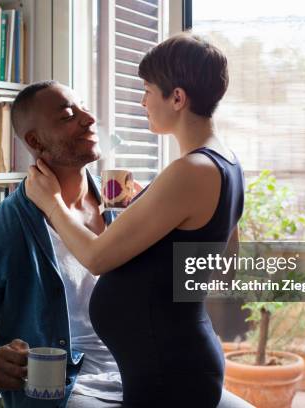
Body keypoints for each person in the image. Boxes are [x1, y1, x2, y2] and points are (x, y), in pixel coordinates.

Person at [26, 34, 244, 408]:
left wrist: (52, 203)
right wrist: (151, 211)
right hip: (174, 363)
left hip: (169, 372)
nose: (142, 101)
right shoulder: (225, 162)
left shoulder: (190, 170)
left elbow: (96, 258)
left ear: (177, 98)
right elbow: (223, 265)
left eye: (147, 90)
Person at [0, 80, 124, 408]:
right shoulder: (0, 234)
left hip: (142, 375)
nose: (88, 119)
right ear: (35, 141)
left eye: (83, 108)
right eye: (68, 116)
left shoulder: (121, 202)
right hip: (70, 393)